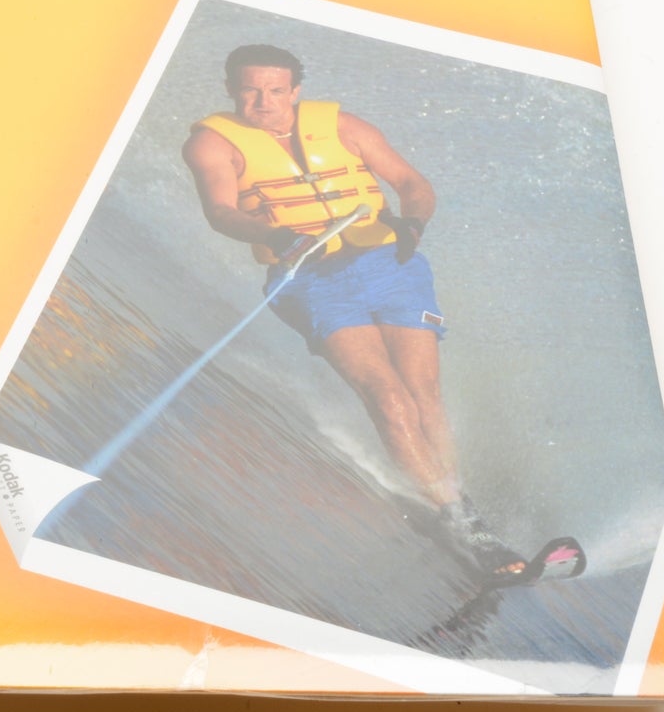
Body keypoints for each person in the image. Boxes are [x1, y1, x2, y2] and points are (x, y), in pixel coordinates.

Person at [180, 44, 522, 576]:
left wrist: (413, 224)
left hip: (389, 263)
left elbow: (413, 185)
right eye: (250, 90)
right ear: (230, 90)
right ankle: (460, 520)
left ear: (295, 91)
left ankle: (457, 503)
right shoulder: (211, 144)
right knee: (386, 396)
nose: (264, 101)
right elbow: (221, 213)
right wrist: (276, 234)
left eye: (276, 90)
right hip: (309, 278)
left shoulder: (344, 127)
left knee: (422, 392)